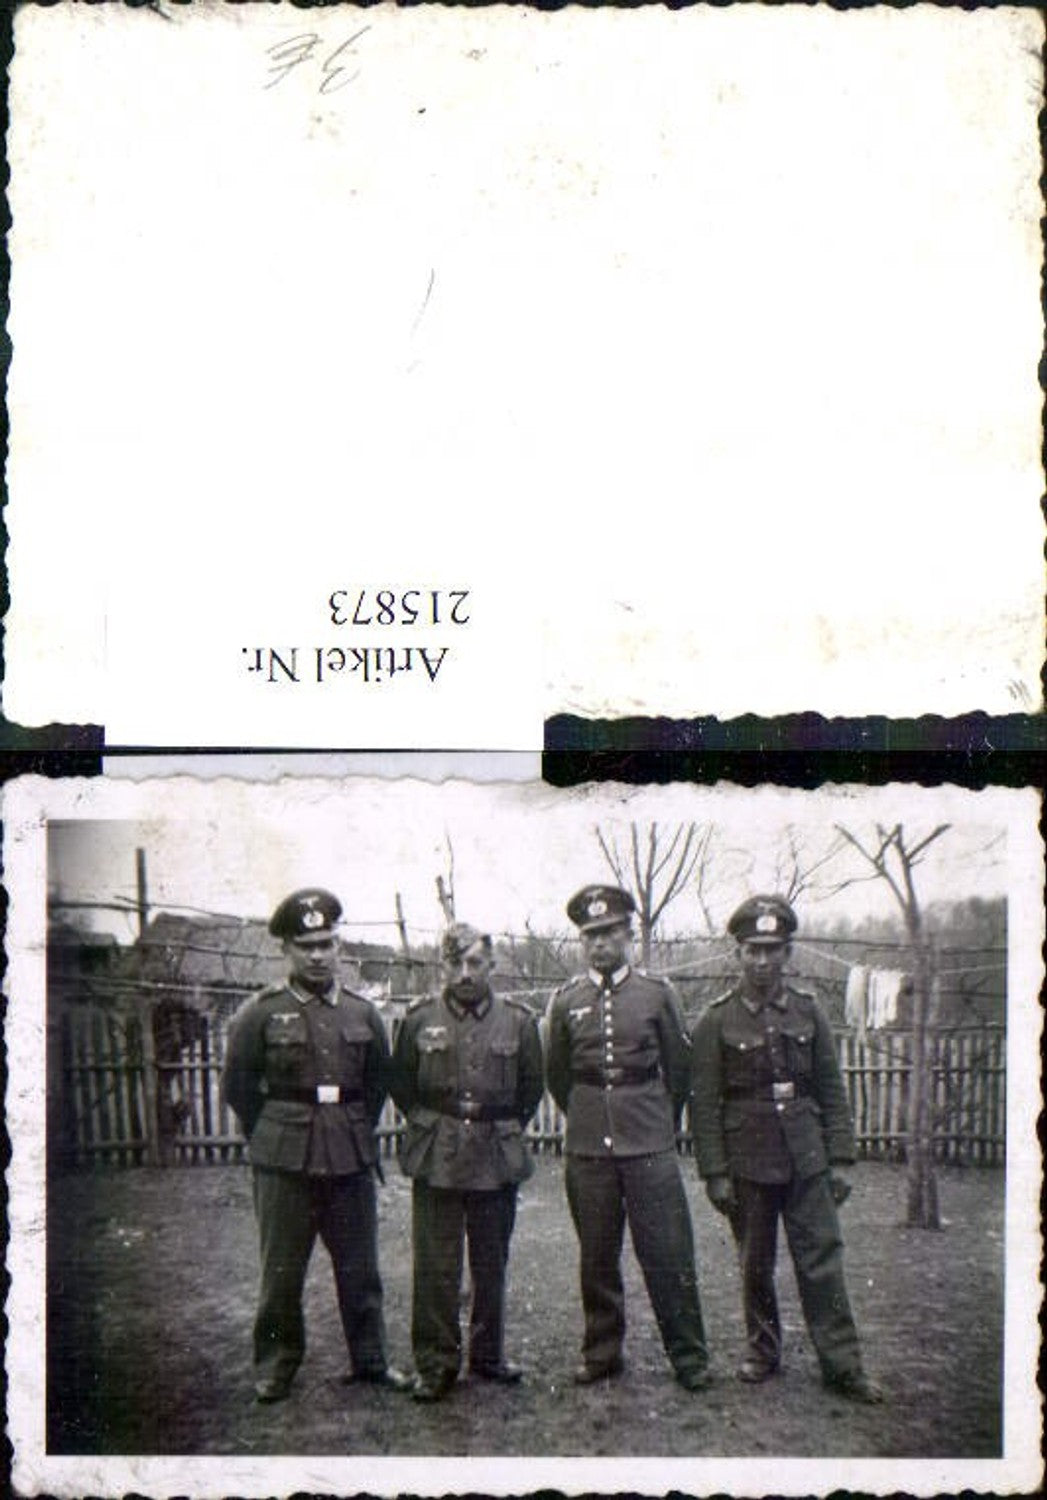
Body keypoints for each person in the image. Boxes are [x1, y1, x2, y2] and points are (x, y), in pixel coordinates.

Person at [690, 893, 884, 1403]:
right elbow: (704, 1104)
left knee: (822, 1261)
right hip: (747, 1160)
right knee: (755, 1263)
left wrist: (840, 1158)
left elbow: (831, 1088)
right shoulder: (715, 1020)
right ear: (738, 954)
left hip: (807, 1157)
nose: (762, 960)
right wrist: (715, 1173)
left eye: (771, 950)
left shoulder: (808, 1010)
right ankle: (763, 1352)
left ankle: (842, 1365)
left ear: (787, 953)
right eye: (752, 950)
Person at [221, 887, 409, 1402]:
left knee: (360, 1269)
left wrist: (351, 1127)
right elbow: (238, 1087)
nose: (318, 955)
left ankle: (371, 1360)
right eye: (306, 946)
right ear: (287, 949)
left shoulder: (363, 1014)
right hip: (284, 1162)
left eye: (327, 944)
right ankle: (276, 1366)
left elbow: (377, 1084)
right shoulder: (260, 1013)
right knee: (281, 1270)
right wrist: (274, 1132)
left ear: (338, 946)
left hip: (349, 1156)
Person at [545, 884, 711, 1391]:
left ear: (628, 935)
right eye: (590, 935)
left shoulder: (657, 994)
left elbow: (679, 1070)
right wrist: (590, 1117)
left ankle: (689, 1356)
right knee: (597, 1255)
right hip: (589, 1145)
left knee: (668, 1252)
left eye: (609, 932)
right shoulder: (566, 1001)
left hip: (649, 1143)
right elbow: (558, 1076)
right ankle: (602, 1353)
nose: (599, 943)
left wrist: (658, 1122)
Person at [388, 922, 545, 1403]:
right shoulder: (419, 1019)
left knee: (491, 1260)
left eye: (474, 962)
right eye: (454, 963)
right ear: (442, 965)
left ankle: (488, 1355)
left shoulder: (518, 1021)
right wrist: (436, 1125)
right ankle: (436, 1363)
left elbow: (531, 1088)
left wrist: (498, 1125)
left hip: (495, 1154)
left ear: (491, 964)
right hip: (438, 1154)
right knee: (435, 1264)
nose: (464, 973)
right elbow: (402, 1085)